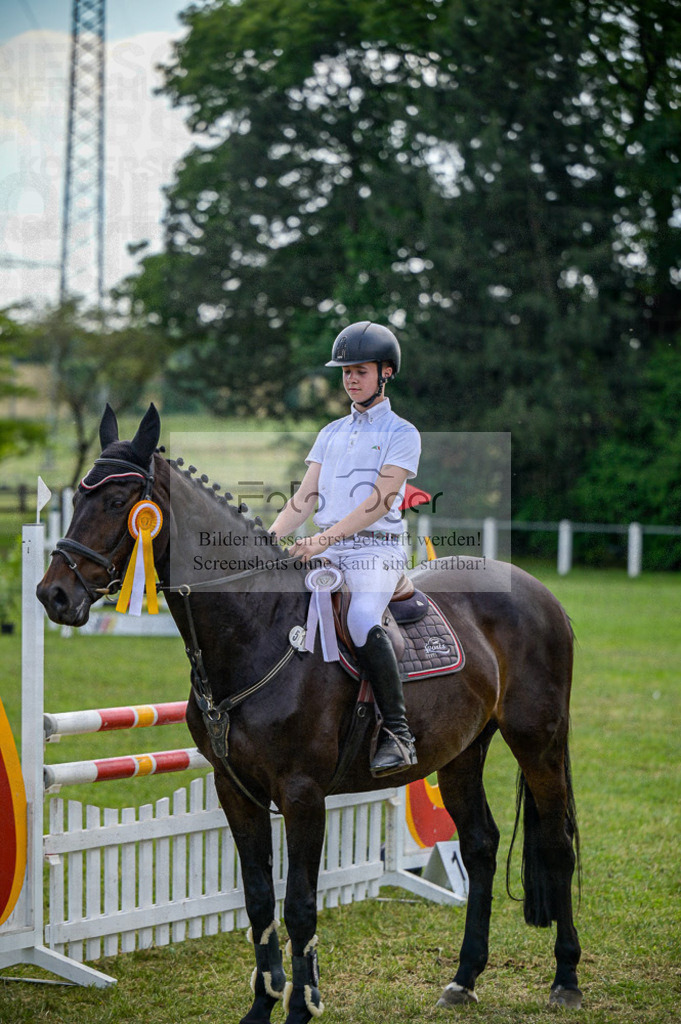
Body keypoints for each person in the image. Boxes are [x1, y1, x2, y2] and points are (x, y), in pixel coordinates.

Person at [269, 321, 421, 776]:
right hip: (328, 551)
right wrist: (269, 540)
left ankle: (398, 732)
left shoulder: (402, 433)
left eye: (360, 370)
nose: (351, 379)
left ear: (385, 372)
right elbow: (305, 499)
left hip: (377, 550)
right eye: (345, 372)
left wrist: (320, 540)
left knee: (358, 616)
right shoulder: (330, 432)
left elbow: (378, 502)